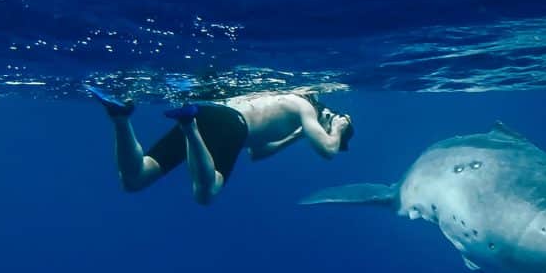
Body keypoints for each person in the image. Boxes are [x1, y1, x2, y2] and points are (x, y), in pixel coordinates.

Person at [86, 86, 354, 205]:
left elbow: (257, 152)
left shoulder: (277, 98)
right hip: (231, 125)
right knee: (205, 194)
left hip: (209, 111)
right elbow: (328, 151)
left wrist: (296, 136)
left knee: (134, 179)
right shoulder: (304, 106)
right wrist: (338, 131)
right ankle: (189, 127)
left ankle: (120, 118)